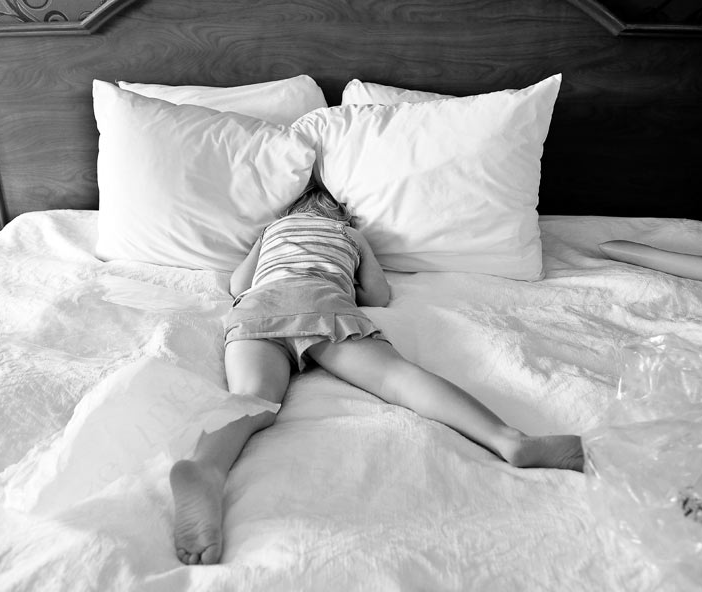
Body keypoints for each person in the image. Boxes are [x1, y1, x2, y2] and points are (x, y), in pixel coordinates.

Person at [170, 182, 584, 565]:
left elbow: (237, 285)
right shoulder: (350, 235)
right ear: (342, 214)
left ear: (290, 211)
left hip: (259, 308)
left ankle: (206, 467)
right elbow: (378, 295)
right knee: (398, 379)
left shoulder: (272, 231)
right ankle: (509, 440)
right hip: (323, 303)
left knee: (252, 397)